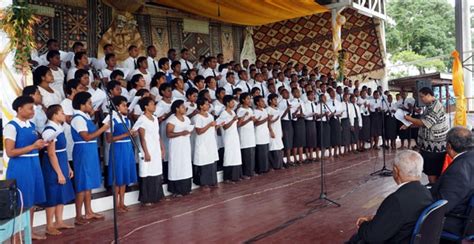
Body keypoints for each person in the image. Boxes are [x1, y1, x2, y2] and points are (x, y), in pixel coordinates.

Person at [347, 150, 433, 244]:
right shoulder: (426, 192)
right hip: (411, 238)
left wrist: (363, 224)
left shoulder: (397, 200)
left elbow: (372, 236)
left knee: (356, 239)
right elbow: (403, 216)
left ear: (396, 171)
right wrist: (375, 218)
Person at [4, 96, 48, 240]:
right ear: (19, 109)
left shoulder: (31, 126)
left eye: (33, 108)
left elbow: (34, 147)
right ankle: (16, 235)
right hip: (20, 166)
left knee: (32, 200)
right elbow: (10, 152)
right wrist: (33, 146)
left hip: (34, 164)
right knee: (21, 201)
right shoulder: (11, 126)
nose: (32, 111)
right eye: (30, 108)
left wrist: (42, 144)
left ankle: (28, 231)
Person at [71, 92, 109, 225]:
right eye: (89, 103)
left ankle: (88, 211)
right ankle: (78, 215)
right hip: (83, 150)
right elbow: (86, 136)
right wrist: (103, 128)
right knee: (82, 183)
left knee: (88, 183)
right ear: (82, 105)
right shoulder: (78, 119)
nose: (91, 105)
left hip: (90, 150)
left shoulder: (85, 116)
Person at [430, 127, 474, 237]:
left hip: (454, 220)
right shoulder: (470, 158)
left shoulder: (458, 170)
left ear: (449, 146)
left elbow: (443, 206)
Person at [40, 105, 75, 236]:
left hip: (61, 161)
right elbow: (51, 154)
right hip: (52, 166)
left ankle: (59, 221)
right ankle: (49, 225)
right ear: (54, 115)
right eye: (61, 113)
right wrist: (59, 173)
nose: (64, 115)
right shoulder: (49, 131)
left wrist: (68, 167)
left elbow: (62, 151)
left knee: (61, 193)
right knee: (53, 194)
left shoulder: (59, 128)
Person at [403, 87, 448, 184]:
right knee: (430, 171)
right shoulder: (430, 106)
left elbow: (425, 123)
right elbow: (423, 122)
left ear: (429, 95)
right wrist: (408, 124)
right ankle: (433, 186)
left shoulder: (436, 107)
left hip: (435, 147)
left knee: (433, 171)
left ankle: (433, 189)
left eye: (422, 97)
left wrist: (408, 119)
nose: (421, 99)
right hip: (428, 146)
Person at [104, 96, 138, 213]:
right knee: (117, 175)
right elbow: (109, 139)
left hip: (127, 147)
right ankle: (116, 204)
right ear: (117, 107)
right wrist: (126, 135)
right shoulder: (111, 119)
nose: (126, 108)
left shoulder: (126, 119)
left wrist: (132, 134)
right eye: (124, 105)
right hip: (118, 148)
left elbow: (127, 134)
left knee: (124, 176)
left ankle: (122, 202)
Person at [134, 97, 166, 205]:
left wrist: (162, 147)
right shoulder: (142, 119)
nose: (154, 106)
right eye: (152, 104)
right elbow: (142, 138)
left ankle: (157, 195)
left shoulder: (155, 118)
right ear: (146, 107)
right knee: (147, 172)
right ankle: (146, 198)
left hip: (155, 147)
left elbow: (157, 135)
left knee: (156, 171)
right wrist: (146, 152)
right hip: (147, 149)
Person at [166, 100, 193, 197]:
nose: (184, 108)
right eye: (182, 107)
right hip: (176, 146)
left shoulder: (186, 119)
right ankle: (176, 190)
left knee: (185, 165)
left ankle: (186, 188)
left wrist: (188, 132)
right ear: (177, 108)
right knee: (177, 166)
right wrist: (181, 133)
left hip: (185, 145)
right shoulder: (172, 120)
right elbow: (168, 134)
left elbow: (189, 129)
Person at [192, 98, 219, 189]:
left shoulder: (210, 116)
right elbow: (199, 131)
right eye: (206, 104)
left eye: (208, 104)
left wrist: (217, 126)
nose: (208, 106)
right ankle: (203, 183)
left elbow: (212, 128)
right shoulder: (197, 117)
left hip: (210, 141)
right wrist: (209, 125)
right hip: (202, 142)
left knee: (211, 160)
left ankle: (212, 181)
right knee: (203, 162)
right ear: (201, 106)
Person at [218, 95, 242, 182]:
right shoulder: (224, 113)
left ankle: (236, 176)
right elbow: (225, 127)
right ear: (227, 103)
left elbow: (236, 125)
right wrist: (232, 120)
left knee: (235, 155)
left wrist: (240, 119)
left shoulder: (232, 112)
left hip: (234, 136)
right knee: (229, 156)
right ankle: (227, 177)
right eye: (232, 102)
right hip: (228, 137)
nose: (233, 103)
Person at [237, 92, 256, 178]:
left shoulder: (250, 109)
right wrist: (248, 119)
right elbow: (239, 124)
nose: (249, 100)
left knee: (251, 154)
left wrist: (254, 120)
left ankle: (251, 171)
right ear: (243, 100)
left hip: (251, 134)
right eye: (247, 99)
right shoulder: (240, 110)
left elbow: (252, 121)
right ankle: (246, 173)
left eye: (250, 99)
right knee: (246, 155)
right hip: (244, 135)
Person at [253, 95, 270, 174]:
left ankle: (266, 167)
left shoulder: (264, 110)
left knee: (266, 151)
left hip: (265, 133)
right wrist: (266, 119)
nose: (264, 102)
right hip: (259, 133)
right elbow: (256, 123)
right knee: (260, 152)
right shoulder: (255, 111)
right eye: (262, 101)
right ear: (257, 103)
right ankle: (260, 169)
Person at [267, 93, 284, 169]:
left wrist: (281, 131)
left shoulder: (277, 109)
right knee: (273, 148)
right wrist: (271, 131)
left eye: (276, 99)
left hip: (278, 130)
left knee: (279, 147)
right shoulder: (268, 109)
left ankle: (280, 164)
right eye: (274, 99)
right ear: (270, 100)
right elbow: (268, 121)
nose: (276, 101)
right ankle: (274, 165)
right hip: (272, 131)